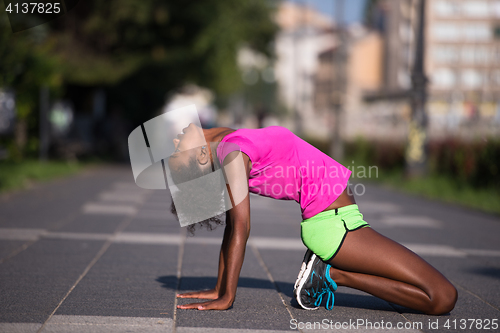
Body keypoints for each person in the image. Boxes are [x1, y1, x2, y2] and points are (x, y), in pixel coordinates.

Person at [167, 124, 457, 314]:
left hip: (341, 220)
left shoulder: (228, 140)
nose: (176, 140)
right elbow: (239, 227)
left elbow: (231, 224)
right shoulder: (232, 155)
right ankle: (333, 275)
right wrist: (225, 296)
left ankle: (330, 272)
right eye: (179, 151)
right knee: (442, 297)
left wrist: (219, 287)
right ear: (202, 158)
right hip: (334, 226)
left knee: (432, 290)